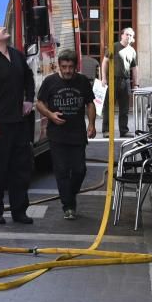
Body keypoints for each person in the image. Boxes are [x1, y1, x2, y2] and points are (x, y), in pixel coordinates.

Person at [0, 21, 35, 225]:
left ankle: (20, 210)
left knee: (21, 168)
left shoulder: (17, 55)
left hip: (19, 122)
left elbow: (29, 78)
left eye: (2, 27)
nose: (3, 28)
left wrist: (29, 98)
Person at [36, 49, 97, 220]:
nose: (68, 70)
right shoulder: (50, 82)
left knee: (79, 170)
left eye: (71, 67)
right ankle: (68, 206)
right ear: (59, 66)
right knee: (61, 170)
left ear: (76, 66)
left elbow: (90, 104)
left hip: (77, 134)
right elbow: (39, 104)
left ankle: (70, 195)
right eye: (64, 67)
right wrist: (50, 115)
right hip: (57, 135)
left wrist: (91, 124)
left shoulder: (82, 81)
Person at [101, 27, 138, 138]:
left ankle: (124, 130)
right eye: (127, 34)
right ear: (122, 35)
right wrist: (104, 78)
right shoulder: (114, 46)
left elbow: (135, 68)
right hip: (113, 80)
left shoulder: (132, 51)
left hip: (125, 81)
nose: (129, 37)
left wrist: (136, 84)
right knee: (108, 106)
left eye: (131, 35)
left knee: (125, 108)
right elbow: (105, 62)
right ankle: (106, 130)